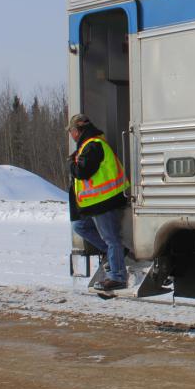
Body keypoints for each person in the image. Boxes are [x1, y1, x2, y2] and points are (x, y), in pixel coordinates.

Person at [67, 114, 130, 291]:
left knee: (112, 239)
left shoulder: (93, 145)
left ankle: (117, 277)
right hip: (95, 203)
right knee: (80, 226)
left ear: (78, 130)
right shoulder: (89, 145)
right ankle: (115, 256)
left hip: (104, 201)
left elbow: (82, 171)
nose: (71, 135)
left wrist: (71, 164)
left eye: (71, 131)